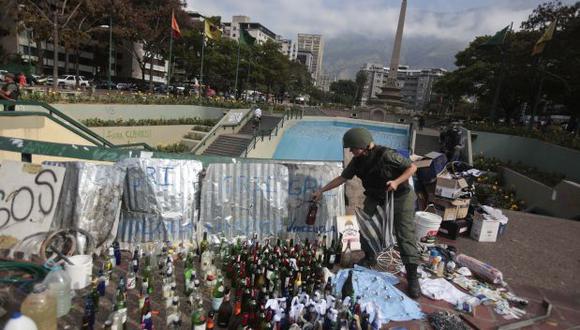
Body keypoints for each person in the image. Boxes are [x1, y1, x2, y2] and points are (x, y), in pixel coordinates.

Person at [311, 127, 422, 298]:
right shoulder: (357, 161)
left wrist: (396, 181)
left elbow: (412, 167)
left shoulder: (387, 155)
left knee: (404, 233)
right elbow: (342, 178)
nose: (351, 151)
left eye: (353, 147)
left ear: (364, 145)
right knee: (364, 226)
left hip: (400, 194)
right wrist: (322, 190)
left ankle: (413, 278)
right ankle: (370, 257)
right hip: (376, 195)